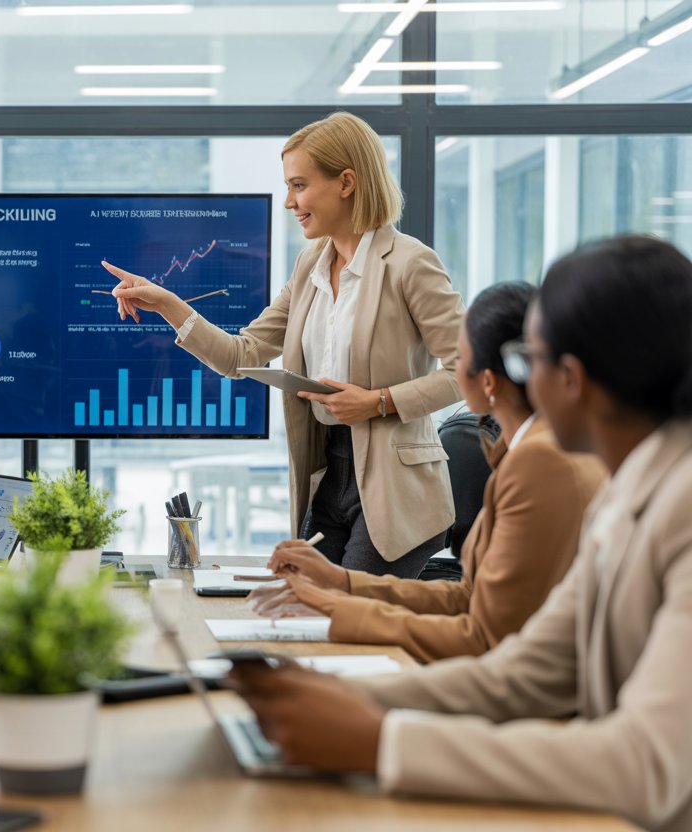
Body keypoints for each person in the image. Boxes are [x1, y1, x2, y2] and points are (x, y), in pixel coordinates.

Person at [228, 235, 692, 832]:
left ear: (571, 379)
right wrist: (331, 695)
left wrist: (382, 742)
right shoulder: (624, 490)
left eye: (528, 359)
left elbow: (648, 765)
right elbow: (525, 673)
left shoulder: (673, 507)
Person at [105, 112, 463, 577]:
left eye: (299, 185)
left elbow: (467, 371)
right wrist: (169, 304)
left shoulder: (410, 263)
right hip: (331, 473)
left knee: (339, 611)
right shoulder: (310, 266)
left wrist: (378, 401)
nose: (290, 201)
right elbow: (240, 355)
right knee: (299, 600)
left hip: (396, 490)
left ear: (346, 182)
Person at [248, 283, 606, 662]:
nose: (449, 368)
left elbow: (483, 637)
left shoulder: (539, 460)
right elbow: (468, 597)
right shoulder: (522, 450)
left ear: (487, 381)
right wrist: (341, 582)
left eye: (458, 356)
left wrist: (336, 608)